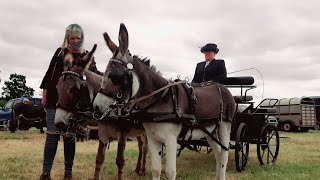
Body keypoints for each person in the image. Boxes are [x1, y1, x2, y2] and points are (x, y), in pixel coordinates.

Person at [39, 24, 101, 180]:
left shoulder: (87, 56)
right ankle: (46, 173)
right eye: (71, 38)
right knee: (52, 135)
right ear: (67, 38)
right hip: (55, 100)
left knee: (69, 136)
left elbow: (95, 76)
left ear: (82, 38)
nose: (74, 41)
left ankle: (68, 172)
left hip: (74, 104)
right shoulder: (60, 53)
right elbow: (49, 75)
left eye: (77, 38)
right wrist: (44, 96)